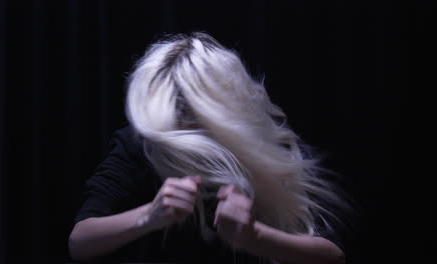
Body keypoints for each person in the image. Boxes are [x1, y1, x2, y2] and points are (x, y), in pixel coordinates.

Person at [68, 33, 347, 264]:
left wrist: (255, 237)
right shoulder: (140, 146)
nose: (185, 122)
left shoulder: (274, 147)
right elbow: (81, 242)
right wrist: (148, 217)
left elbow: (332, 255)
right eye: (177, 109)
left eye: (193, 110)